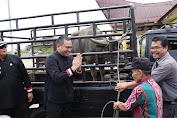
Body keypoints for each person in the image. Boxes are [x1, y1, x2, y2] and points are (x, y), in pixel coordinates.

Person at [115, 35, 177, 118]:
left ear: (165, 48)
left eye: (157, 47)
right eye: (152, 48)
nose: (153, 50)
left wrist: (126, 86)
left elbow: (126, 107)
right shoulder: (159, 60)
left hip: (168, 105)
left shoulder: (167, 64)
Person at [45, 35, 83, 118]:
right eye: (67, 47)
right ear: (58, 46)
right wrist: (73, 68)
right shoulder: (51, 59)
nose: (69, 50)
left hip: (68, 99)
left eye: (71, 47)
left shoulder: (70, 58)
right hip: (55, 100)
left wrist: (78, 68)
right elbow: (57, 78)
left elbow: (78, 77)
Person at [0, 41, 33, 118]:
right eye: (1, 47)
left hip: (18, 99)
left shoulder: (15, 59)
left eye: (5, 46)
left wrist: (29, 91)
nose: (4, 48)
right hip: (2, 102)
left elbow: (25, 76)